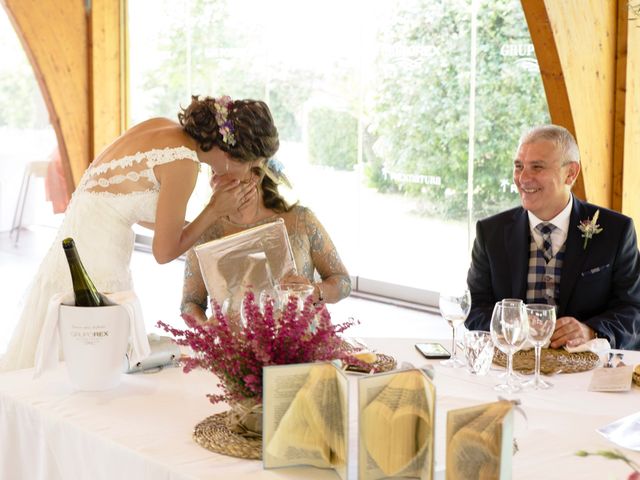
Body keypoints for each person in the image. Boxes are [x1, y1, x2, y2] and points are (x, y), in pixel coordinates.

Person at [0, 95, 271, 371]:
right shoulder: (183, 163)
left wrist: (210, 224)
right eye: (252, 165)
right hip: (97, 264)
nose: (249, 174)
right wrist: (213, 209)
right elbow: (163, 252)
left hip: (74, 247)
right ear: (232, 153)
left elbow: (129, 207)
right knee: (94, 367)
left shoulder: (161, 127)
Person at [466, 124, 640, 350]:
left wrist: (592, 331)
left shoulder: (616, 231)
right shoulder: (490, 232)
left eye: (537, 167)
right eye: (519, 166)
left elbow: (634, 310)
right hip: (512, 374)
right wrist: (510, 325)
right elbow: (475, 308)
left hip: (587, 374)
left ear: (571, 173)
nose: (523, 178)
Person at [180, 128, 351, 323]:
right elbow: (189, 303)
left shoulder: (301, 220)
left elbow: (343, 281)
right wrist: (206, 330)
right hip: (236, 351)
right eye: (212, 171)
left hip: (302, 347)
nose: (214, 179)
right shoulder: (205, 233)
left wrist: (316, 291)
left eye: (223, 170)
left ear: (255, 172)